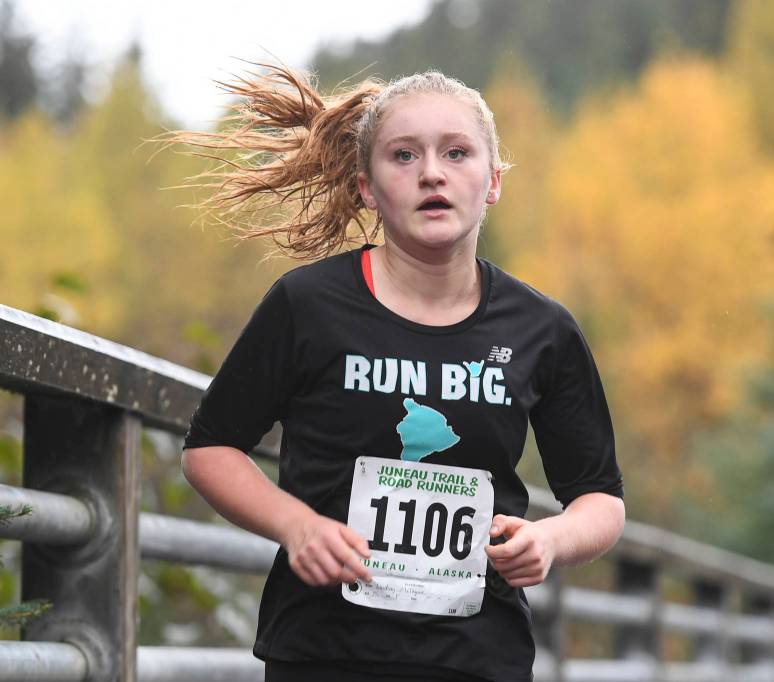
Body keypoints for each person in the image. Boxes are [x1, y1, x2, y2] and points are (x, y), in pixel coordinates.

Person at [176, 64, 625, 682]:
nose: (432, 173)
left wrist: (550, 540)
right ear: (366, 187)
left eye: (457, 153)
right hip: (323, 652)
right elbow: (210, 448)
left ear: (492, 182)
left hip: (477, 657)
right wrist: (296, 524)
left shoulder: (541, 330)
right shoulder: (307, 306)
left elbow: (600, 499)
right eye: (404, 156)